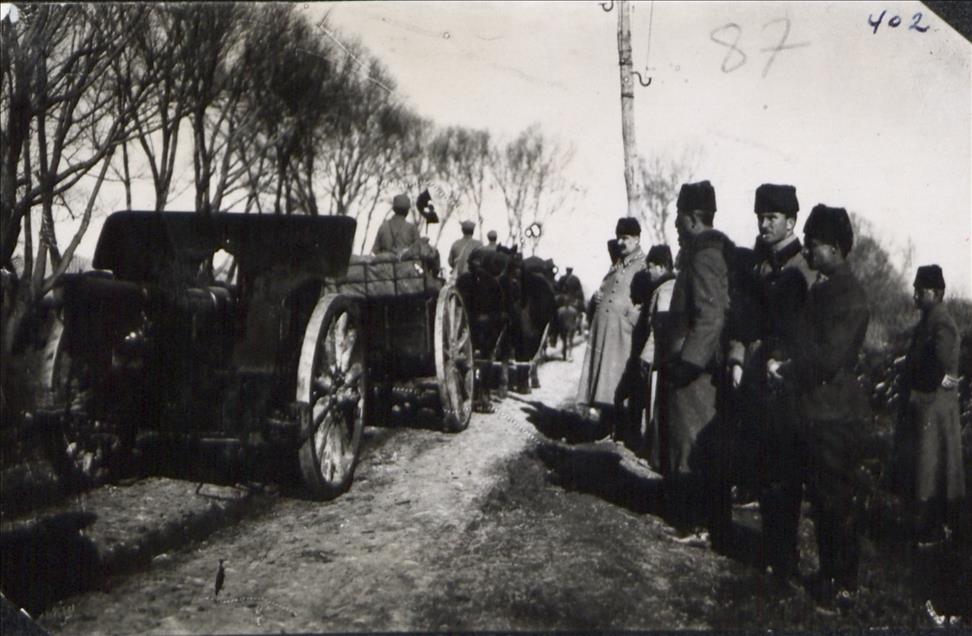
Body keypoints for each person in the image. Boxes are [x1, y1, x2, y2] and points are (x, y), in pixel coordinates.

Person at [768, 204, 870, 610]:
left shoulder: (849, 295)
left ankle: (842, 585)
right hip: (815, 411)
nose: (806, 253)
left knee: (835, 503)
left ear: (832, 247)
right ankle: (830, 576)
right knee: (824, 502)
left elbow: (827, 358)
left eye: (811, 245)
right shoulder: (826, 288)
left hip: (833, 417)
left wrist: (787, 369)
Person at [726, 184, 814, 579]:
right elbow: (743, 318)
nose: (763, 224)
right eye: (760, 217)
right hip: (758, 379)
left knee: (786, 469)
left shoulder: (805, 269)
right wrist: (737, 358)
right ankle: (771, 549)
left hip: (791, 385)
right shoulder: (761, 266)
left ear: (791, 222)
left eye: (771, 218)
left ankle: (784, 556)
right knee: (765, 466)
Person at [661, 180, 734, 550]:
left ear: (690, 218)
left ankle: (700, 525)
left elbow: (710, 317)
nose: (675, 224)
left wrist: (688, 364)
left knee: (694, 447)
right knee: (689, 446)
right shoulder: (701, 253)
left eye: (677, 216)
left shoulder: (704, 256)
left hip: (697, 375)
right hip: (695, 368)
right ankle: (696, 519)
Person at [895, 264, 965, 546]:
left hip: (933, 408)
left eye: (919, 289)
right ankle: (922, 526)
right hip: (926, 405)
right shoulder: (929, 320)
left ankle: (931, 529)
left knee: (931, 469)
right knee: (924, 467)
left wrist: (912, 377)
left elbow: (938, 368)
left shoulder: (942, 322)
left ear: (935, 293)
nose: (914, 294)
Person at [576, 218, 646, 433]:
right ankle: (606, 426)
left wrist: (631, 316)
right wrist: (596, 298)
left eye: (625, 238)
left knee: (618, 381)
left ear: (636, 239)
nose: (620, 242)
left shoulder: (642, 265)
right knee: (603, 379)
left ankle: (621, 431)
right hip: (605, 331)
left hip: (623, 334)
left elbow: (647, 299)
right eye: (618, 238)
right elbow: (605, 288)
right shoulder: (616, 265)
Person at [638, 244, 677, 472]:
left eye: (650, 267)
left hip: (658, 361)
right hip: (663, 359)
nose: (648, 272)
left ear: (661, 267)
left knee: (655, 407)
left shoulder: (665, 291)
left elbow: (658, 330)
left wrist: (646, 356)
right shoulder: (667, 287)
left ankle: (655, 457)